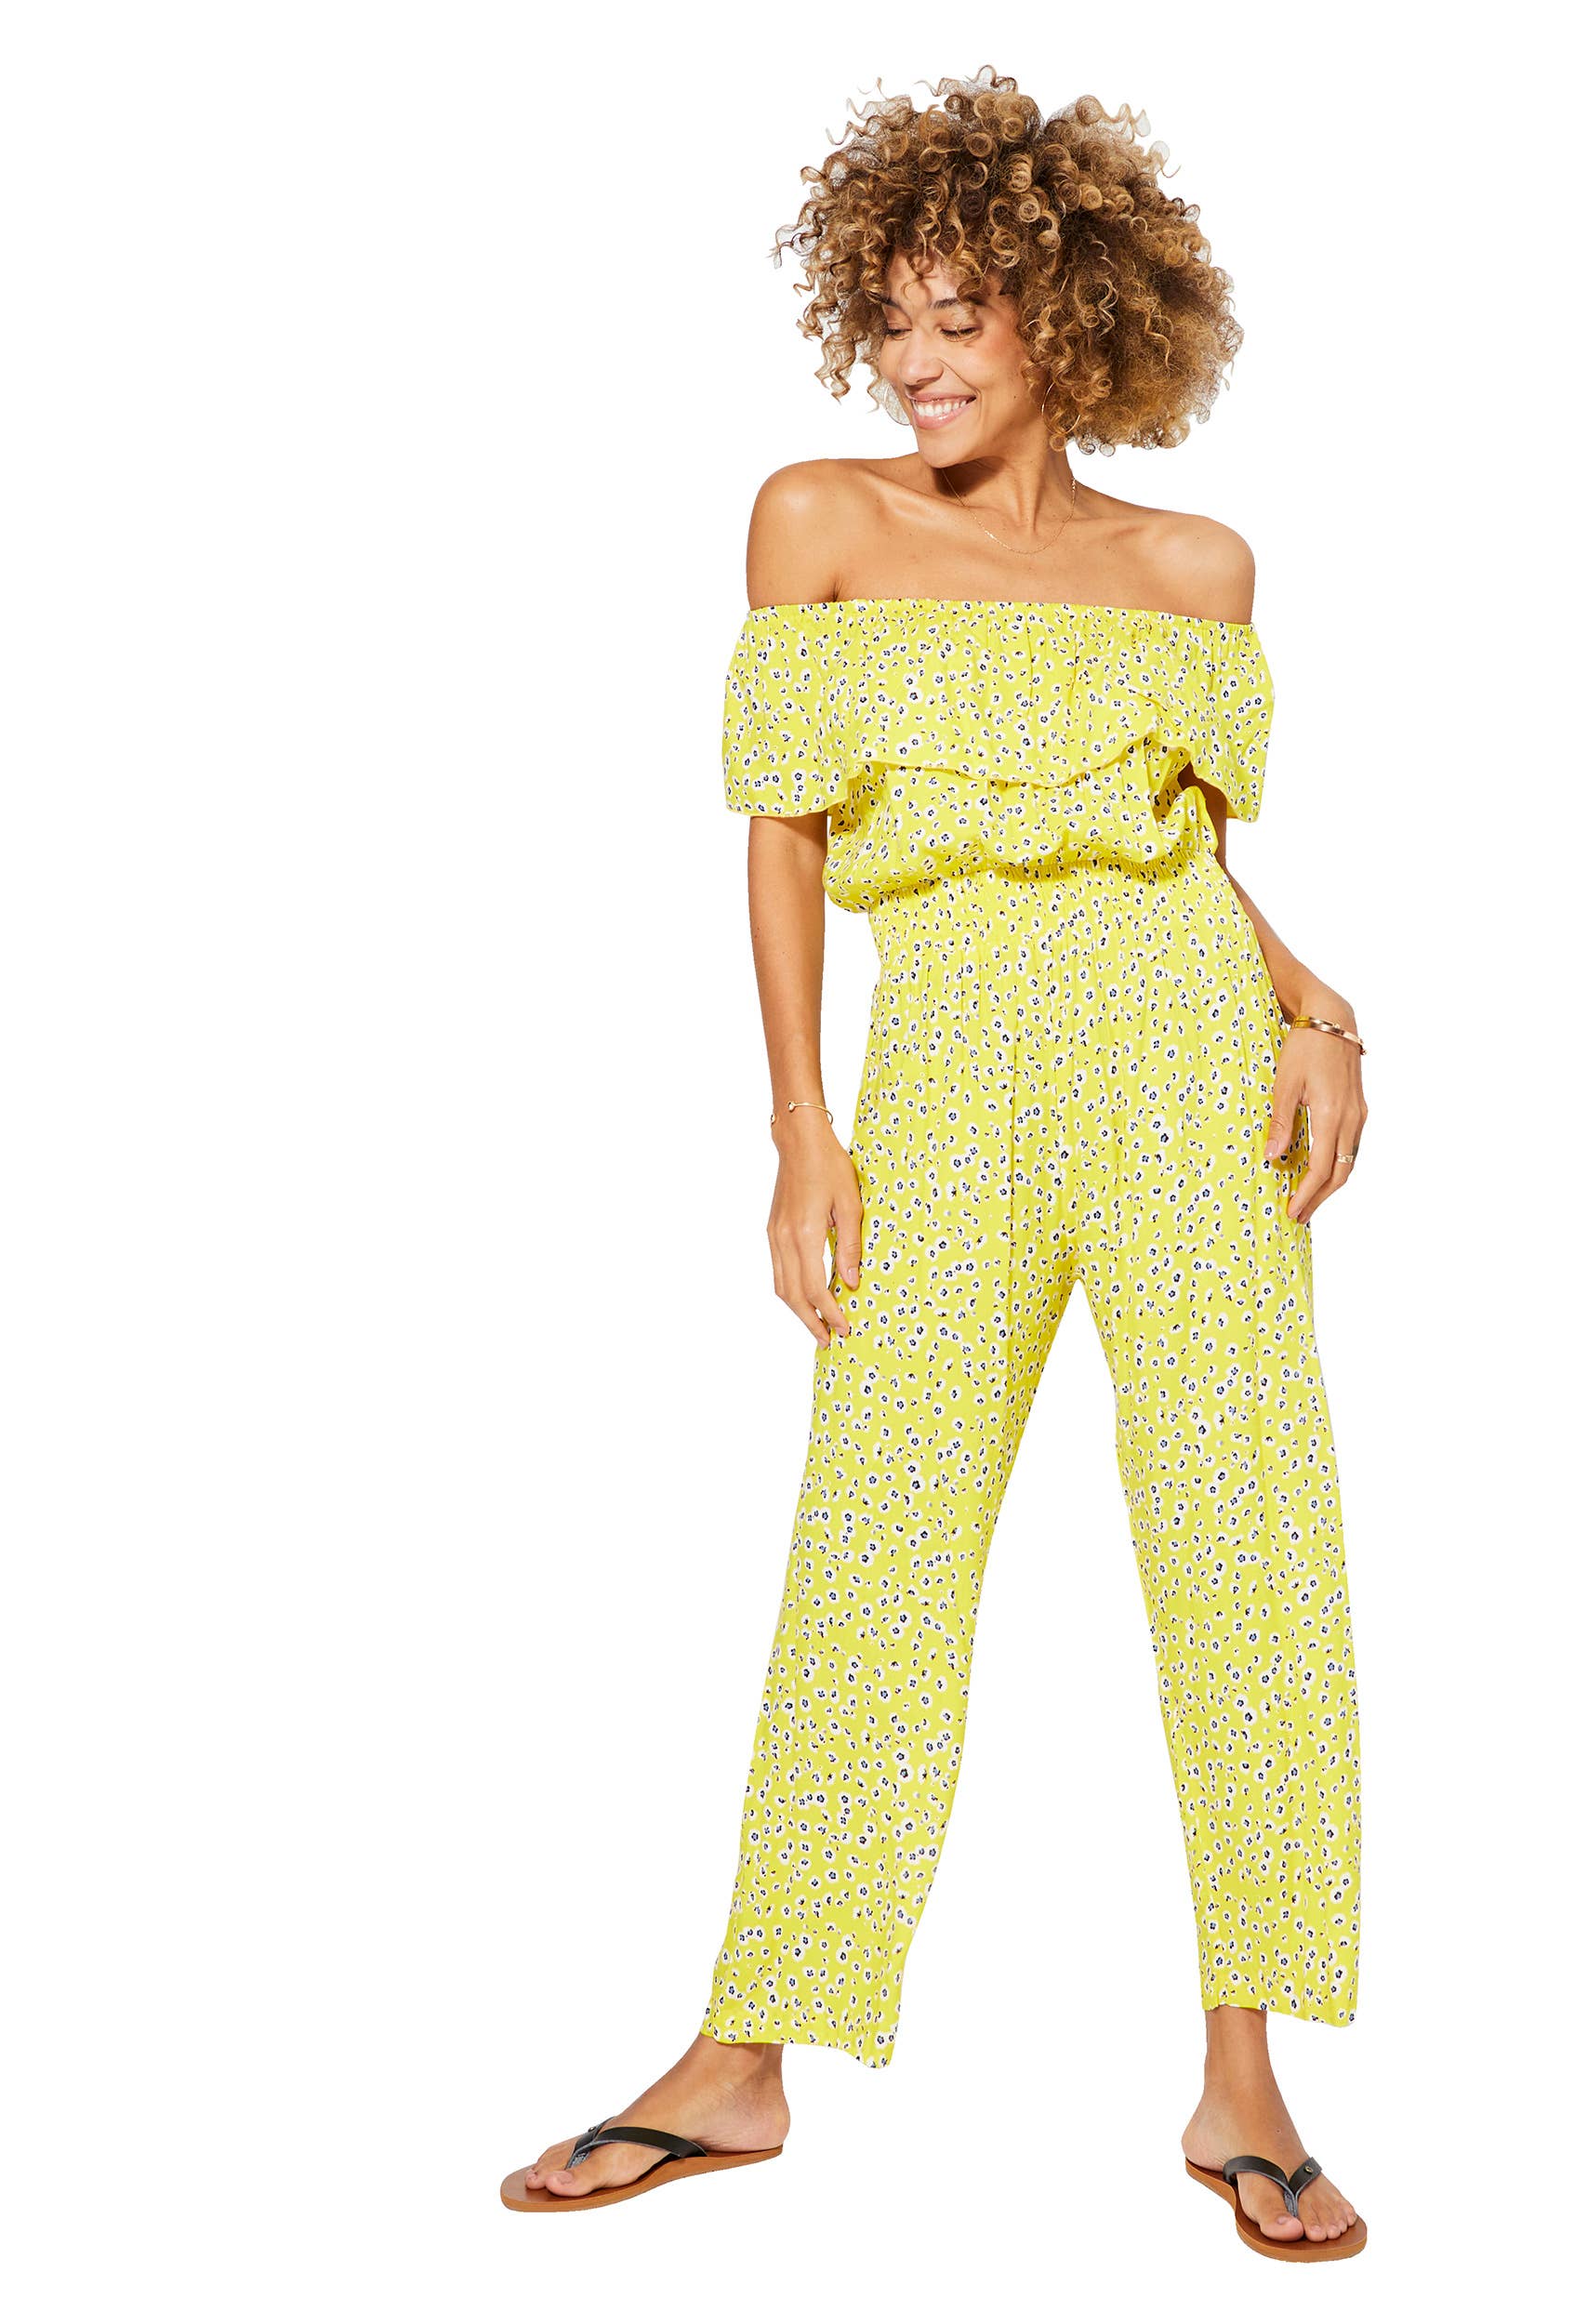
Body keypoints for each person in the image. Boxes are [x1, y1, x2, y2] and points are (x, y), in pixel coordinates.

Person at [503, 71, 1369, 2260]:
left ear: (1063, 316)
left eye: (955, 314)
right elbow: (783, 834)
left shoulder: (1193, 568)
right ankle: (745, 2048)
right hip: (946, 1060)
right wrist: (799, 1121)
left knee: (1245, 1553)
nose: (912, 358)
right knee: (874, 1548)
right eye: (886, 316)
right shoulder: (816, 518)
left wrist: (1308, 1003)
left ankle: (1244, 2075)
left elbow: (1184, 854)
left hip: (1182, 1059)